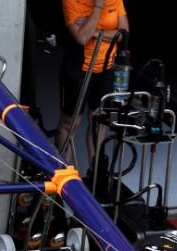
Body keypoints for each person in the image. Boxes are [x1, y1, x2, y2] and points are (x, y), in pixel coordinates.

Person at [57, 0, 129, 169]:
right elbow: (81, 38)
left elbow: (124, 34)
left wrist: (95, 32)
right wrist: (97, 7)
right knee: (70, 124)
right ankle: (64, 178)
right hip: (78, 69)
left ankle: (96, 175)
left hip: (106, 69)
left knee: (98, 122)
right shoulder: (71, 2)